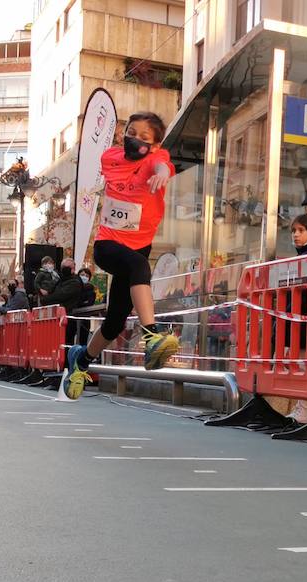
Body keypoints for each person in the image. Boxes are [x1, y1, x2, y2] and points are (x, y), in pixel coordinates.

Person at [62, 111, 181, 399]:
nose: (135, 140)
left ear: (154, 145)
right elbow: (109, 162)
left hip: (139, 246)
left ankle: (82, 361)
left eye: (144, 138)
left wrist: (161, 174)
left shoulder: (156, 159)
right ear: (123, 134)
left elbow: (162, 164)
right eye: (132, 133)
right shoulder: (110, 158)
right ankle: (152, 335)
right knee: (139, 265)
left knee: (115, 321)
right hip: (108, 245)